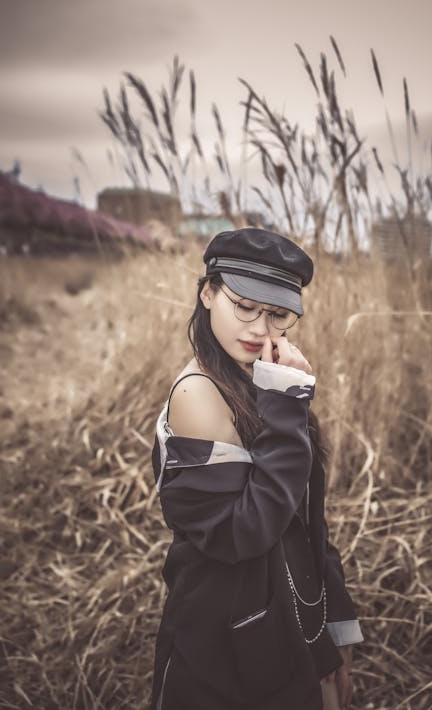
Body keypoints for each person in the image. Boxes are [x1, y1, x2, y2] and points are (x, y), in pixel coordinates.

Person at [150, 228, 363, 710]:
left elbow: (306, 517)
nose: (259, 328)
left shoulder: (260, 375)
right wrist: (288, 403)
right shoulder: (197, 394)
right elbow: (243, 533)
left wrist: (333, 628)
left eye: (278, 314)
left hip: (291, 627)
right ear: (208, 292)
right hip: (225, 651)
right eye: (244, 305)